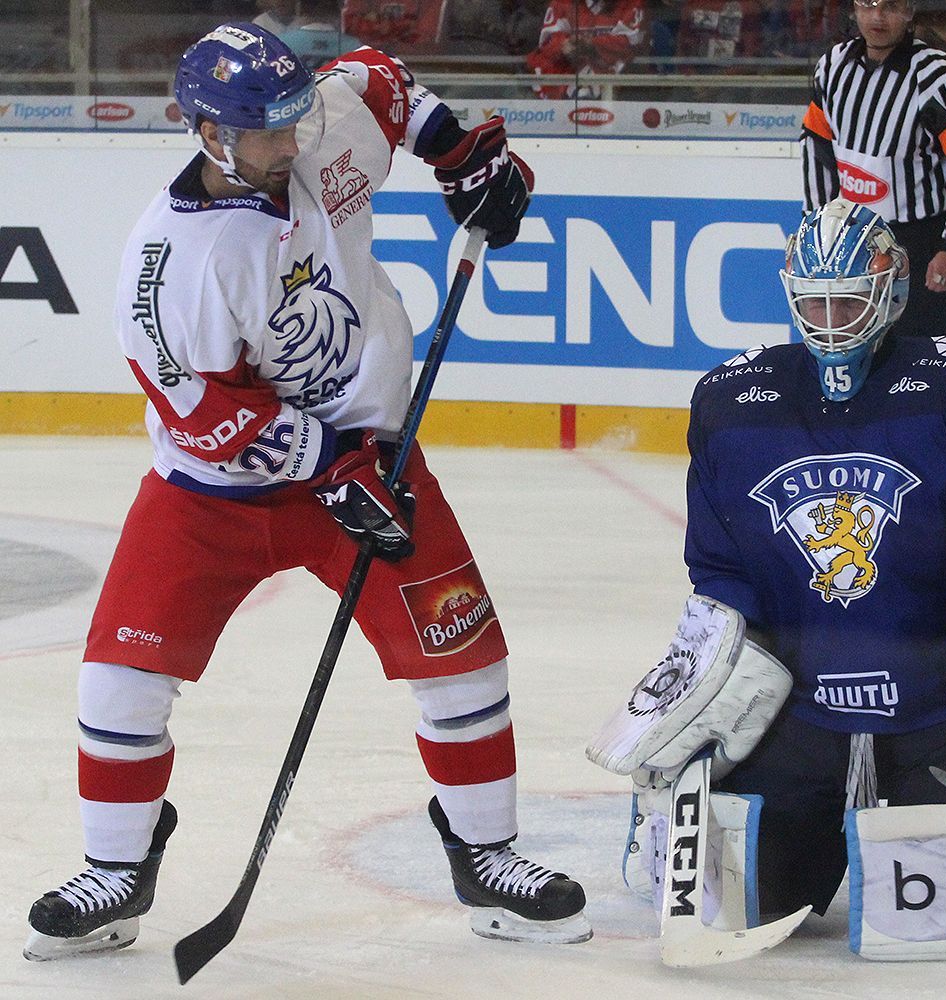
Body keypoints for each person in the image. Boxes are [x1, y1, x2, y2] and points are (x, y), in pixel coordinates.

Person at [22, 22, 590, 962]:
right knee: (118, 680)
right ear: (210, 133)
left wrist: (461, 162)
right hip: (213, 493)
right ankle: (117, 872)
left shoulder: (321, 117)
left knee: (464, 656)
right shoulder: (171, 268)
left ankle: (486, 854)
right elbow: (206, 416)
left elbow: (384, 80)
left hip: (374, 456)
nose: (293, 144)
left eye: (297, 120)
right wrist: (327, 468)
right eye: (268, 133)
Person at [656, 198, 946, 920]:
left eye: (849, 301)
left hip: (938, 717)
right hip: (796, 723)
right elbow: (720, 574)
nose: (832, 321)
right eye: (816, 303)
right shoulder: (732, 402)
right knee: (742, 898)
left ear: (893, 290)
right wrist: (710, 675)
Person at [801, 0, 946, 345]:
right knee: (854, 353)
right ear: (855, 8)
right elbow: (816, 148)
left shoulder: (935, 76)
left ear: (909, 11)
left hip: (920, 246)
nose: (878, 17)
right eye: (869, 4)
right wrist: (817, 228)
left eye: (891, 6)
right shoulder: (832, 67)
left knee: (932, 364)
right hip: (851, 242)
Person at [526, 0, 647, 99]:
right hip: (572, 73)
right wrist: (563, 44)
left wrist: (592, 44)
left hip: (620, 83)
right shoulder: (563, 3)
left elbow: (631, 43)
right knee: (541, 62)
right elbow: (547, 41)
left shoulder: (632, 3)